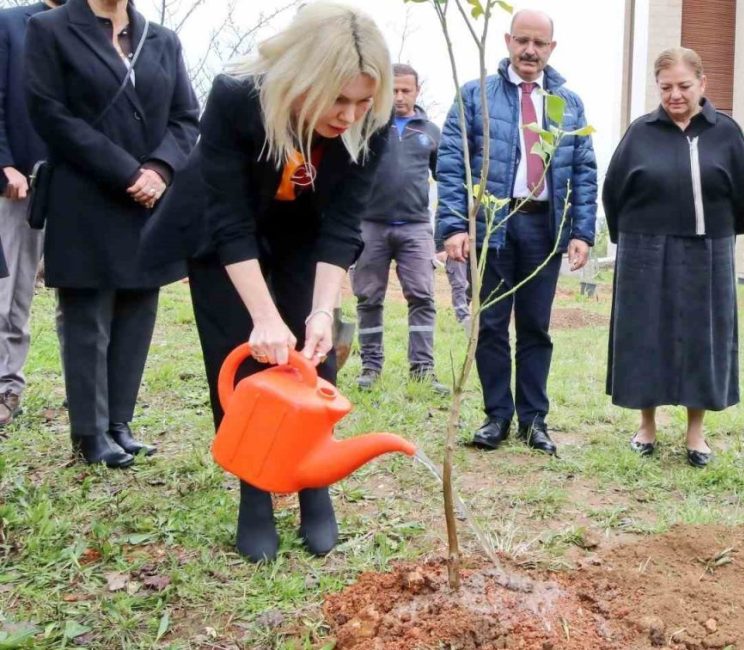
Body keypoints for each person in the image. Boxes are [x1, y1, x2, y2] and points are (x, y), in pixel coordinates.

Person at [141, 1, 392, 562]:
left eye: (362, 100)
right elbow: (229, 221)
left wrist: (322, 313)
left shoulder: (371, 125)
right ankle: (254, 489)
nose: (350, 114)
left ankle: (313, 484)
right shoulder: (236, 97)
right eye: (338, 99)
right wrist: (262, 316)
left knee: (312, 354)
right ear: (303, 80)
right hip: (225, 232)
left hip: (305, 233)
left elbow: (342, 228)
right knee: (241, 351)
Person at [26, 0, 199, 468]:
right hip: (86, 193)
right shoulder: (50, 28)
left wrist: (160, 169)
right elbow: (48, 113)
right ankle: (89, 433)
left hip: (151, 199)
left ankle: (119, 423)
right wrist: (127, 172)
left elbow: (186, 118)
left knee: (139, 307)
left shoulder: (162, 39)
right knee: (88, 316)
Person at [436, 9, 597, 456]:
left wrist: (580, 231)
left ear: (551, 48)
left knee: (535, 327)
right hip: (491, 225)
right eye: (522, 40)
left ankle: (533, 420)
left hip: (543, 228)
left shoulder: (568, 104)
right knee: (489, 324)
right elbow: (452, 163)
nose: (529, 50)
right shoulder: (475, 97)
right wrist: (453, 225)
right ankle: (496, 416)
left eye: (539, 43)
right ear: (507, 41)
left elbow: (584, 171)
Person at [603, 47, 744, 468]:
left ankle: (695, 434)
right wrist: (628, 239)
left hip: (707, 247)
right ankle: (646, 426)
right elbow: (613, 191)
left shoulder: (726, 132)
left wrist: (724, 233)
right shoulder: (640, 132)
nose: (675, 95)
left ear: (702, 85)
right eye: (666, 86)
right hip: (643, 248)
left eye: (684, 86)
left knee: (700, 335)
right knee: (645, 334)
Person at [352, 63, 446, 394]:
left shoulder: (430, 132)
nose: (399, 96)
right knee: (368, 297)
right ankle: (370, 367)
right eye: (393, 90)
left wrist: (449, 229)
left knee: (422, 296)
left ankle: (422, 370)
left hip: (416, 228)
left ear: (417, 92)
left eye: (406, 90)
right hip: (370, 227)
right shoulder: (367, 127)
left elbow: (446, 179)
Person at [0, 1, 61, 428]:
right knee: (11, 294)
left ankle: (90, 400)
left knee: (82, 298)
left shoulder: (100, 28)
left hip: (81, 184)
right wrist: (3, 163)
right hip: (21, 181)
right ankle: (6, 387)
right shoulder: (10, 23)